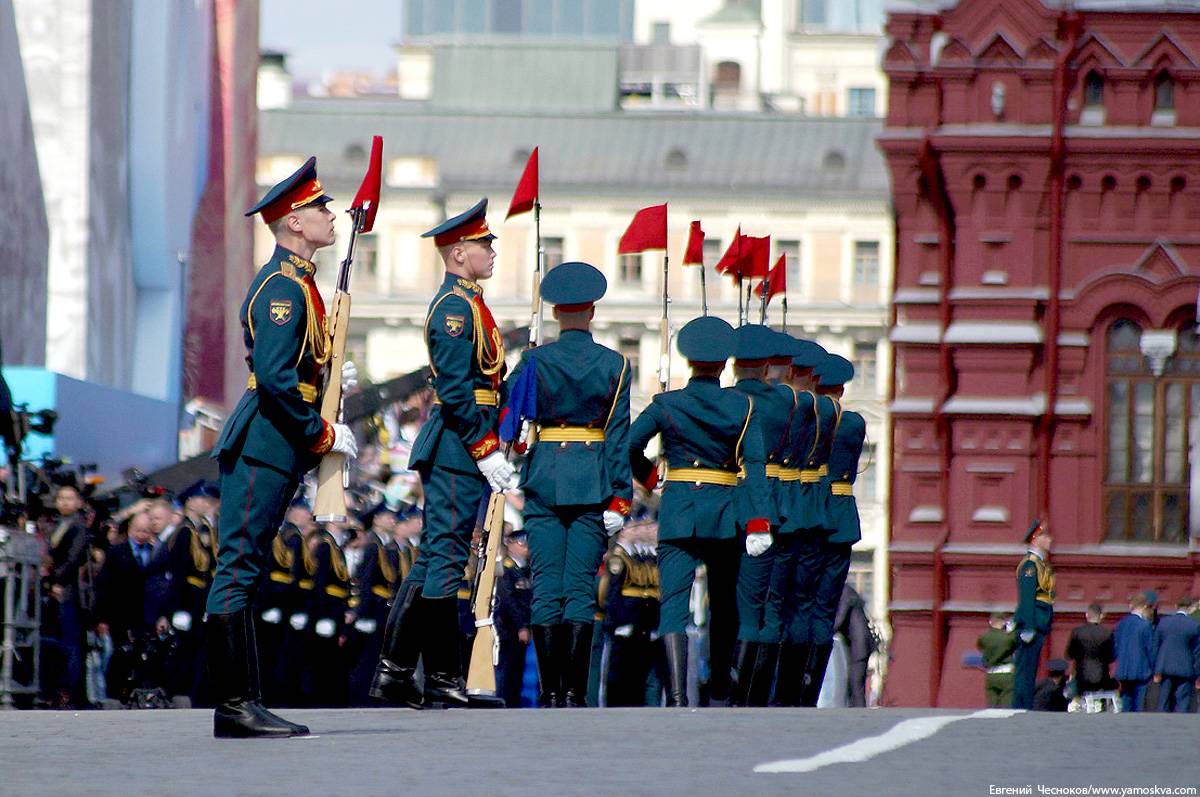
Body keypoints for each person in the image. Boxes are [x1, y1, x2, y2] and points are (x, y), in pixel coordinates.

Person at [206, 156, 359, 737]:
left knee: (247, 567)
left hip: (277, 439)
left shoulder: (298, 284)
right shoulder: (281, 288)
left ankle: (244, 702)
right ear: (294, 221)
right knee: (238, 566)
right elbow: (273, 378)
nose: (330, 214)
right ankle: (234, 706)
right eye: (321, 207)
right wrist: (319, 430)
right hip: (264, 439)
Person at [371, 198, 517, 710]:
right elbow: (456, 389)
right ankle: (440, 677)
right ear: (458, 253)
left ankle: (396, 673)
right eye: (484, 244)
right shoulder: (455, 308)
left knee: (438, 555)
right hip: (458, 443)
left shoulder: (471, 303)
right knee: (446, 559)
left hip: (466, 439)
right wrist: (484, 448)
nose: (492, 252)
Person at [506, 260, 632, 708]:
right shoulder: (615, 364)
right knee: (579, 587)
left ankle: (549, 690)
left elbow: (511, 411)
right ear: (592, 312)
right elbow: (618, 437)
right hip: (593, 480)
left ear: (557, 312)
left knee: (546, 586)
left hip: (543, 476)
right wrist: (620, 497)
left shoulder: (535, 360)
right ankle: (574, 692)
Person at [628, 316, 771, 707]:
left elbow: (629, 444)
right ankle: (721, 687)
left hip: (678, 511)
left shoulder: (666, 403)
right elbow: (754, 467)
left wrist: (650, 473)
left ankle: (675, 696)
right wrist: (759, 521)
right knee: (723, 606)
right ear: (725, 363)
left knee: (673, 605)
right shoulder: (744, 406)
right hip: (725, 511)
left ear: (688, 362)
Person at [728, 325, 794, 706]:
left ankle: (728, 685)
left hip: (724, 503)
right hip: (773, 505)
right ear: (768, 365)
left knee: (725, 601)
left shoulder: (727, 400)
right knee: (761, 605)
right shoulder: (790, 405)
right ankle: (750, 692)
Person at [796, 353, 864, 708]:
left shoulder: (807, 419)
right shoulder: (853, 423)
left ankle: (797, 680)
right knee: (824, 606)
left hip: (809, 512)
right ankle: (812, 684)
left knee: (799, 602)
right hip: (840, 516)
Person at [771, 337, 833, 706]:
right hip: (816, 511)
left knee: (772, 602)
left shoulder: (787, 407)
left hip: (777, 505)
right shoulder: (835, 414)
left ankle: (772, 688)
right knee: (807, 604)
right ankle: (799, 691)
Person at [347, 503, 401, 707]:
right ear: (376, 520)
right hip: (374, 609)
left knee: (376, 656)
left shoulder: (382, 544)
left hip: (381, 608)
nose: (392, 520)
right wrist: (362, 613)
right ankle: (362, 699)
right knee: (368, 659)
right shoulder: (373, 545)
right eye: (387, 516)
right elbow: (367, 580)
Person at [45, 484, 91, 708]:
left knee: (71, 644)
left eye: (69, 498)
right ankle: (56, 688)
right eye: (61, 498)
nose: (64, 502)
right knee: (58, 643)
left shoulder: (79, 528)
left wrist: (55, 580)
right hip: (53, 592)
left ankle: (70, 692)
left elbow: (73, 559)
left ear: (78, 502)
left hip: (70, 592)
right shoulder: (54, 526)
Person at [1012, 519, 1054, 710]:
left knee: (1030, 669)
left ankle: (1024, 705)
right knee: (1025, 670)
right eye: (1046, 536)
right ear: (1036, 538)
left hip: (1038, 623)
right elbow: (1028, 600)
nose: (1050, 540)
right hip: (1032, 624)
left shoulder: (1040, 564)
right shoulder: (1030, 566)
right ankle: (1021, 706)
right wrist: (1028, 627)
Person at [495, 531, 533, 708]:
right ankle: (504, 701)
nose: (525, 548)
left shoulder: (525, 569)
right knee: (507, 667)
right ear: (510, 544)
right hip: (507, 627)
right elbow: (508, 601)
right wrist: (520, 626)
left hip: (522, 625)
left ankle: (513, 701)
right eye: (521, 543)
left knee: (518, 668)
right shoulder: (506, 569)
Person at [1153, 595, 1200, 713]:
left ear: (1176, 606)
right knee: (1183, 701)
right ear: (1190, 608)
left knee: (1164, 699)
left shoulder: (1163, 623)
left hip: (1165, 666)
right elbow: (1197, 651)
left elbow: (1156, 646)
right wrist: (1197, 673)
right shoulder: (1194, 625)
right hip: (1186, 667)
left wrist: (1156, 668)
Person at [833, 582, 875, 708]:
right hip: (858, 645)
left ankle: (859, 713)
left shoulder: (844, 592)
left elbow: (839, 619)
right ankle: (855, 710)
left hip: (859, 646)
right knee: (853, 683)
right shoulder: (847, 591)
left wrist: (824, 628)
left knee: (856, 682)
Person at [1113, 591, 1156, 712]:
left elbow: (1116, 647)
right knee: (1138, 704)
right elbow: (1150, 649)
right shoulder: (1145, 625)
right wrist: (1153, 669)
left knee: (1125, 701)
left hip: (1123, 669)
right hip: (1140, 670)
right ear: (1144, 606)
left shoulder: (1120, 624)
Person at [1066, 603, 1115, 696]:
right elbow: (1111, 657)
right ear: (1101, 616)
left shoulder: (1077, 632)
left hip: (1081, 674)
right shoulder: (1107, 633)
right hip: (1102, 675)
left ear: (1086, 615)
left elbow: (1069, 654)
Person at [976, 612, 1015, 708]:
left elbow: (980, 647)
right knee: (1006, 705)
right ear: (1003, 622)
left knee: (991, 706)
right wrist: (1012, 631)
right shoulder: (1007, 638)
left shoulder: (983, 637)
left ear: (990, 622)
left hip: (990, 674)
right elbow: (1014, 643)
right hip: (1006, 674)